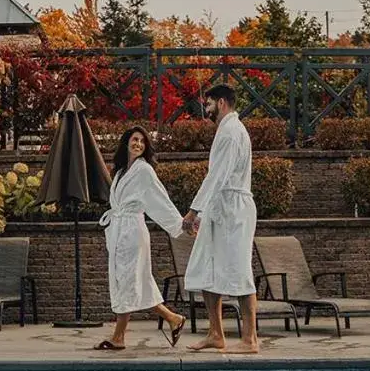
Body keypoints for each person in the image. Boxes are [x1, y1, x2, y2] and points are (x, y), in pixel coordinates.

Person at [93, 125, 190, 350]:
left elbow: (159, 198)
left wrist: (180, 224)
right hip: (120, 231)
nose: (138, 144)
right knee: (136, 284)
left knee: (127, 282)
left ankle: (118, 337)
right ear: (126, 142)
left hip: (132, 233)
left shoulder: (144, 170)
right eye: (134, 139)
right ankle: (173, 319)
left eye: (142, 142)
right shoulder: (120, 172)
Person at [182, 84, 259, 353]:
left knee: (239, 272)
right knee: (204, 269)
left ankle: (250, 340)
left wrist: (194, 210)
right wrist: (205, 212)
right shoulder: (225, 131)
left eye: (209, 104)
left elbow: (218, 177)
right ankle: (216, 333)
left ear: (223, 103)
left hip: (234, 210)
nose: (206, 109)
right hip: (220, 207)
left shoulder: (232, 133)